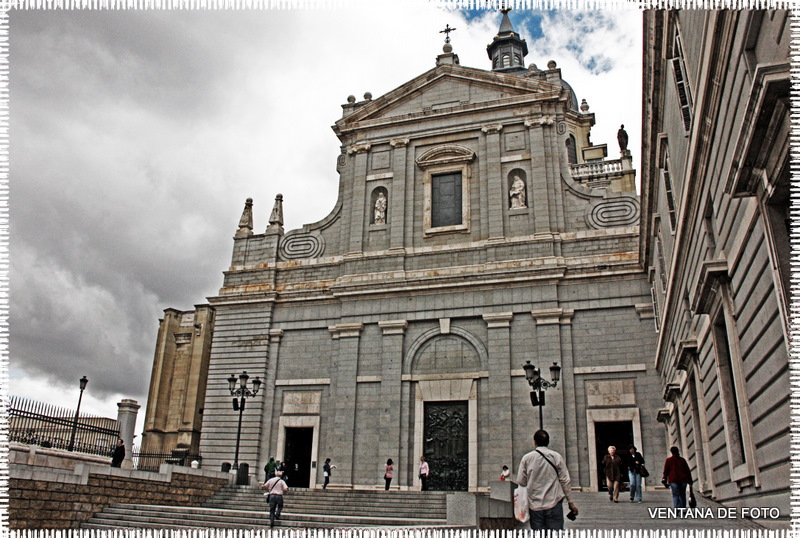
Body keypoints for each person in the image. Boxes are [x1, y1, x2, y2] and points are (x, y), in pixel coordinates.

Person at [516, 430, 578, 530]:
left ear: (535, 442)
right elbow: (565, 480)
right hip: (554, 503)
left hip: (535, 505)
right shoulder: (556, 456)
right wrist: (570, 502)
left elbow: (521, 481)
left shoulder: (526, 458)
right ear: (548, 441)